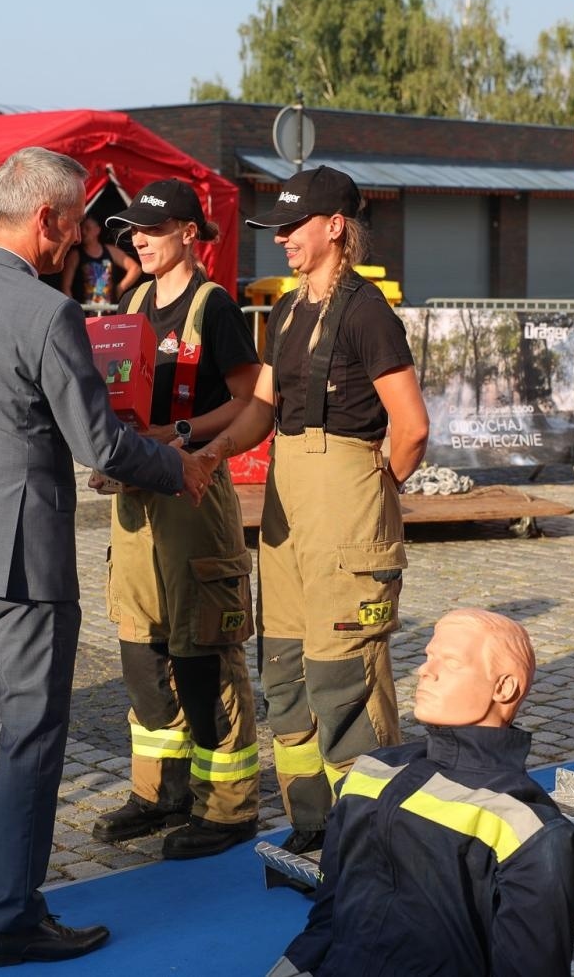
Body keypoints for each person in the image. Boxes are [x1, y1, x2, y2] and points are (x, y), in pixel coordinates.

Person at [0, 147, 215, 967]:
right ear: (45, 219)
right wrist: (180, 466)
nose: (80, 241)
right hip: (23, 552)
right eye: (74, 224)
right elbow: (98, 440)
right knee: (32, 731)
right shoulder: (47, 314)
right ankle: (12, 918)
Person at [196, 165, 429, 855]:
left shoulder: (366, 312)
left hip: (344, 498)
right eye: (279, 229)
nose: (283, 240)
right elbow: (262, 407)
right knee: (287, 673)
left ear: (335, 227)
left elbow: (411, 425)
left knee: (344, 679)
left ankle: (372, 840)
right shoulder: (292, 309)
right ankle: (313, 824)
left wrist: (374, 488)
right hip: (288, 506)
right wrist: (211, 451)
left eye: (294, 228)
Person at [267, 610, 574, 977]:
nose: (424, 671)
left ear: (504, 688)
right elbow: (329, 914)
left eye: (451, 662)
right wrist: (291, 966)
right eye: (429, 656)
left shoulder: (528, 831)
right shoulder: (372, 772)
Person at [89, 179, 264, 860]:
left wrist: (183, 432)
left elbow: (251, 400)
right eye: (133, 229)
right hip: (135, 501)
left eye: (153, 230)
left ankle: (227, 807)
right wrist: (114, 454)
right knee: (142, 653)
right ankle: (159, 793)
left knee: (203, 657)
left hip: (193, 499)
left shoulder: (213, 306)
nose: (138, 238)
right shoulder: (132, 301)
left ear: (191, 233)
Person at [59, 215, 139, 305]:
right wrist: (73, 309)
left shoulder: (110, 251)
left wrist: (120, 288)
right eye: (81, 228)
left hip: (109, 312)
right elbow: (66, 287)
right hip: (85, 313)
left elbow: (135, 268)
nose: (83, 232)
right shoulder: (75, 255)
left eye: (87, 228)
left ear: (97, 230)